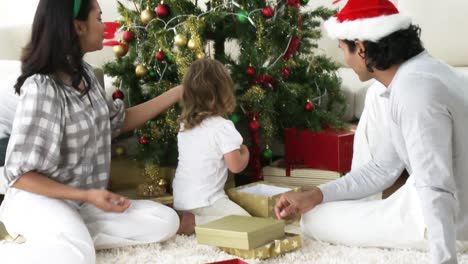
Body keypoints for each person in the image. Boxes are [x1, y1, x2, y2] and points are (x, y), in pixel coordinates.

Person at [274, 0, 468, 263]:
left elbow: (436, 185)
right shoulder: (425, 72)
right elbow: (382, 168)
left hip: (445, 219)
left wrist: (445, 258)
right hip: (441, 202)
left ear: (362, 47)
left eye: (344, 49)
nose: (345, 59)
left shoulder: (414, 94)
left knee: (314, 219)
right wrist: (316, 194)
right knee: (318, 204)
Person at [0, 0, 182, 263]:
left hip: (80, 201)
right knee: (77, 258)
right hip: (38, 199)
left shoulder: (84, 74)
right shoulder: (42, 88)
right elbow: (19, 176)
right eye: (99, 19)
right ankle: (52, 241)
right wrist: (85, 195)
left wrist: (178, 92)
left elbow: (117, 122)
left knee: (164, 221)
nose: (105, 27)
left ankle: (68, 234)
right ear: (78, 26)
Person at [173, 58, 250, 235]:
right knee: (245, 223)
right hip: (207, 201)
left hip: (182, 198)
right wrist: (245, 152)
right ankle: (195, 223)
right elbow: (236, 166)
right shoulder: (222, 127)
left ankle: (185, 216)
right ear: (224, 94)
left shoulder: (185, 125)